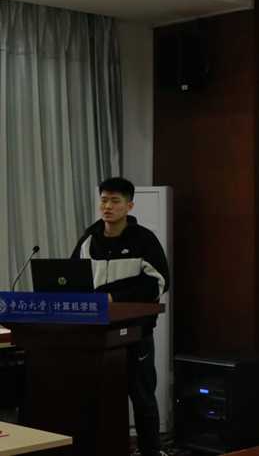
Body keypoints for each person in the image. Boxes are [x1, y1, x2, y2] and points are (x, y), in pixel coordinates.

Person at [71, 177, 170, 456]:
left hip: (135, 331)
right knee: (96, 395)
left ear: (129, 206)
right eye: (104, 200)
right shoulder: (88, 240)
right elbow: (72, 278)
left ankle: (150, 450)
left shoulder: (144, 240)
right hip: (95, 332)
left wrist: (114, 297)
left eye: (115, 201)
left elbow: (158, 283)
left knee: (141, 394)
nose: (108, 206)